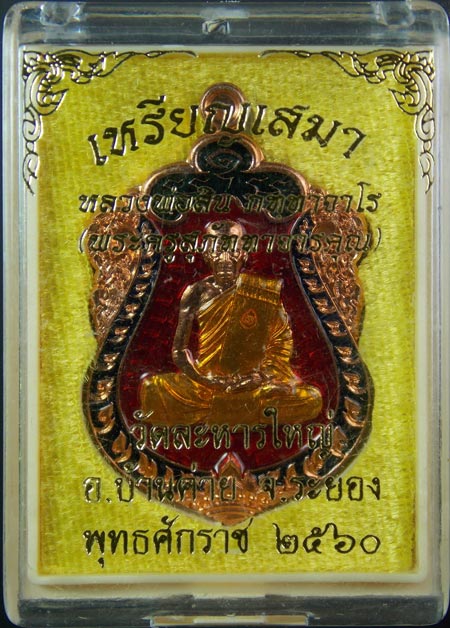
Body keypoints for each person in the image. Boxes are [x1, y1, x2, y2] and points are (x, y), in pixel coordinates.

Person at [139, 221, 322, 426]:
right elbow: (179, 351)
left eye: (232, 249)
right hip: (206, 387)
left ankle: (224, 412)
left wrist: (260, 377)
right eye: (218, 250)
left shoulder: (262, 291)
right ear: (207, 254)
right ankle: (246, 413)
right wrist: (204, 380)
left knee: (311, 399)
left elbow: (281, 343)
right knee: (152, 390)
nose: (225, 258)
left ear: (244, 254)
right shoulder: (196, 292)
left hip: (253, 385)